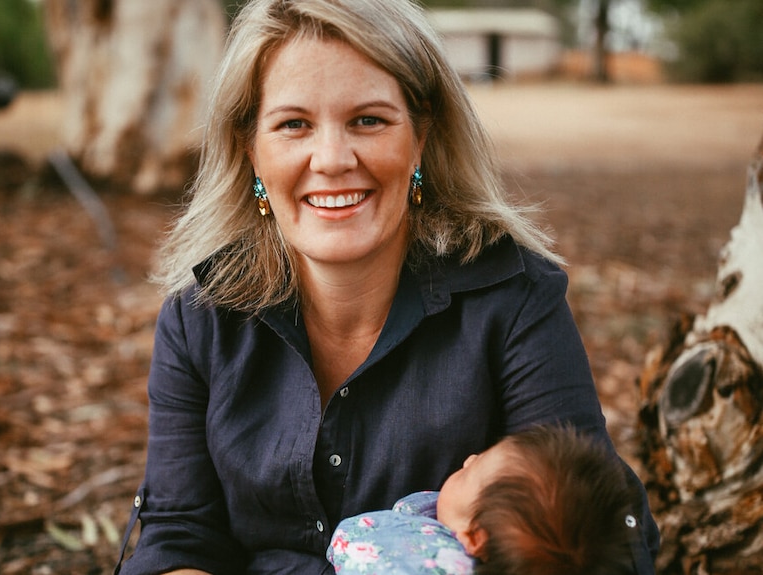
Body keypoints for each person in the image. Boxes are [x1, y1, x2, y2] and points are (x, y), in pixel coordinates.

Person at [114, 0, 659, 573]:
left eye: (368, 120)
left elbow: (602, 536)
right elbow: (179, 537)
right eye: (293, 124)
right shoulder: (200, 318)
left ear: (421, 135)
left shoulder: (513, 299)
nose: (331, 159)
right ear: (251, 149)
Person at [327, 425, 639, 575]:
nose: (468, 459)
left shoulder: (406, 558)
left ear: (475, 537)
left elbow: (349, 541)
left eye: (469, 473)